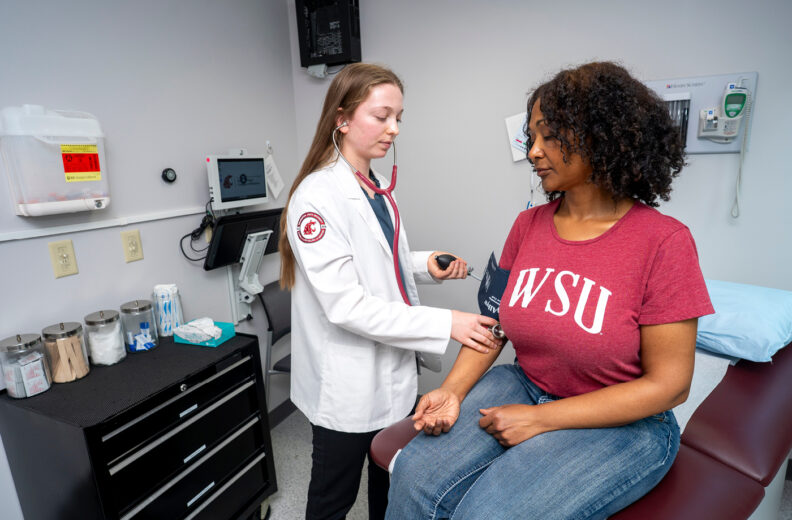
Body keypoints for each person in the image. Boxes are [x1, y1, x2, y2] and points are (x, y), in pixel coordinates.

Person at [386, 61, 715, 520]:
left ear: (600, 136)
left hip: (624, 423)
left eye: (549, 135)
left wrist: (540, 420)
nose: (534, 152)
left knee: (490, 513)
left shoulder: (664, 241)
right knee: (412, 476)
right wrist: (454, 392)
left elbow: (670, 385)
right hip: (524, 382)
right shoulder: (528, 225)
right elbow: (495, 322)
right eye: (531, 137)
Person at [278, 63, 502, 520]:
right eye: (382, 116)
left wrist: (424, 265)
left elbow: (376, 260)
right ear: (341, 118)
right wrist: (448, 322)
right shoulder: (315, 199)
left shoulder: (376, 185)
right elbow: (345, 304)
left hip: (393, 374)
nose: (394, 129)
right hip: (347, 384)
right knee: (332, 499)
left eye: (399, 117)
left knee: (389, 481)